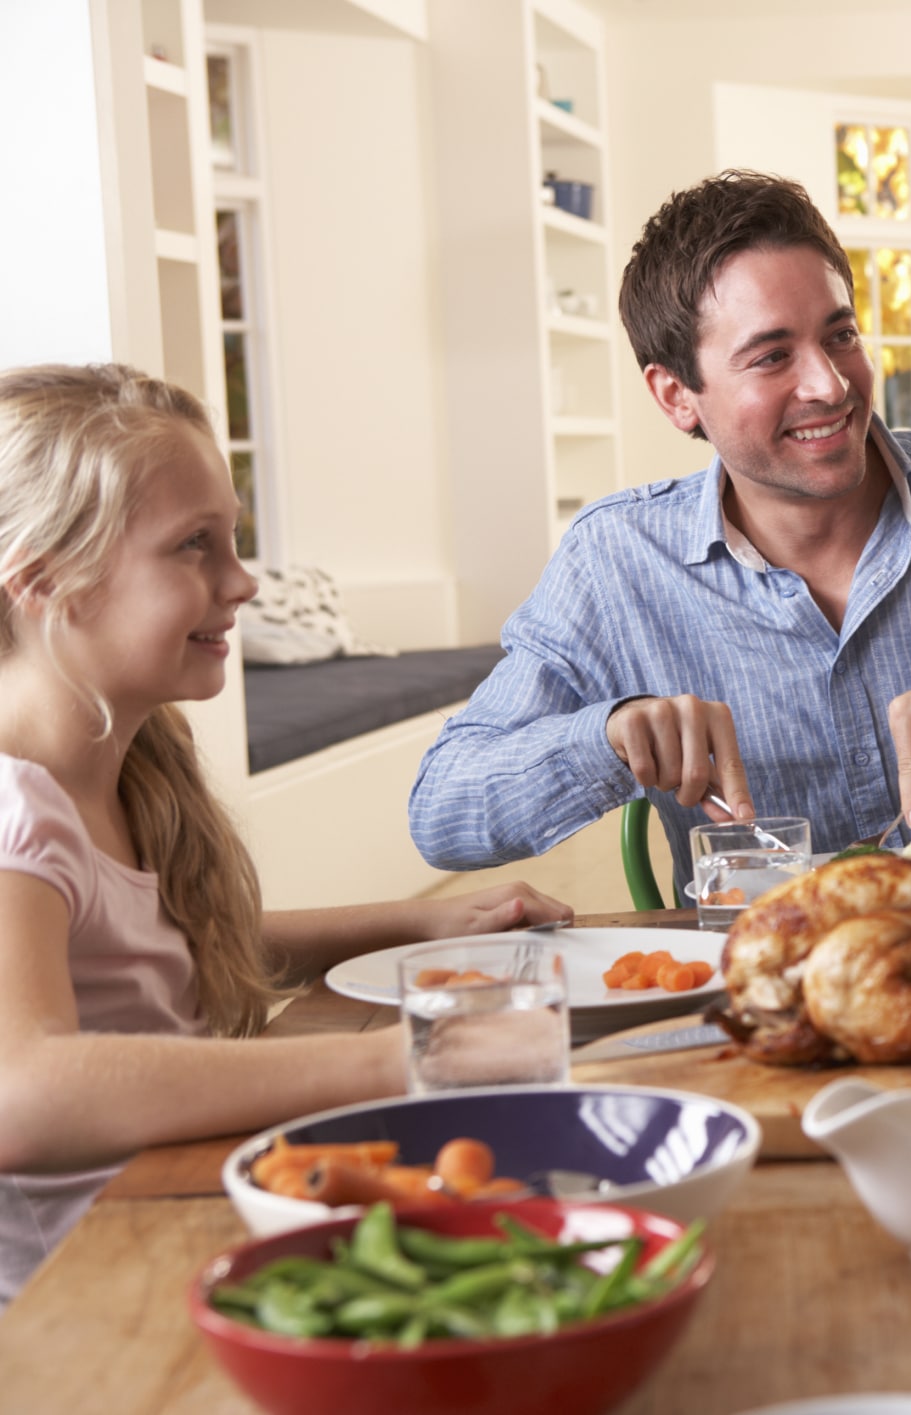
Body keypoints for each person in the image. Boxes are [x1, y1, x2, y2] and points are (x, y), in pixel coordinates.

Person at [409, 170, 911, 890]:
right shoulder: (616, 561)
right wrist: (607, 738)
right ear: (677, 396)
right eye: (770, 357)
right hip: (769, 995)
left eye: (841, 334)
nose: (829, 384)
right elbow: (442, 811)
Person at [0, 364, 571, 1307]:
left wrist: (417, 923)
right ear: (45, 581)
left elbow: (153, 948)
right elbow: (22, 1090)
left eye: (233, 538)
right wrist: (403, 1058)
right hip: (86, 1298)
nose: (242, 580)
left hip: (176, 1215)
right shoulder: (17, 813)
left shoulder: (131, 763)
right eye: (193, 546)